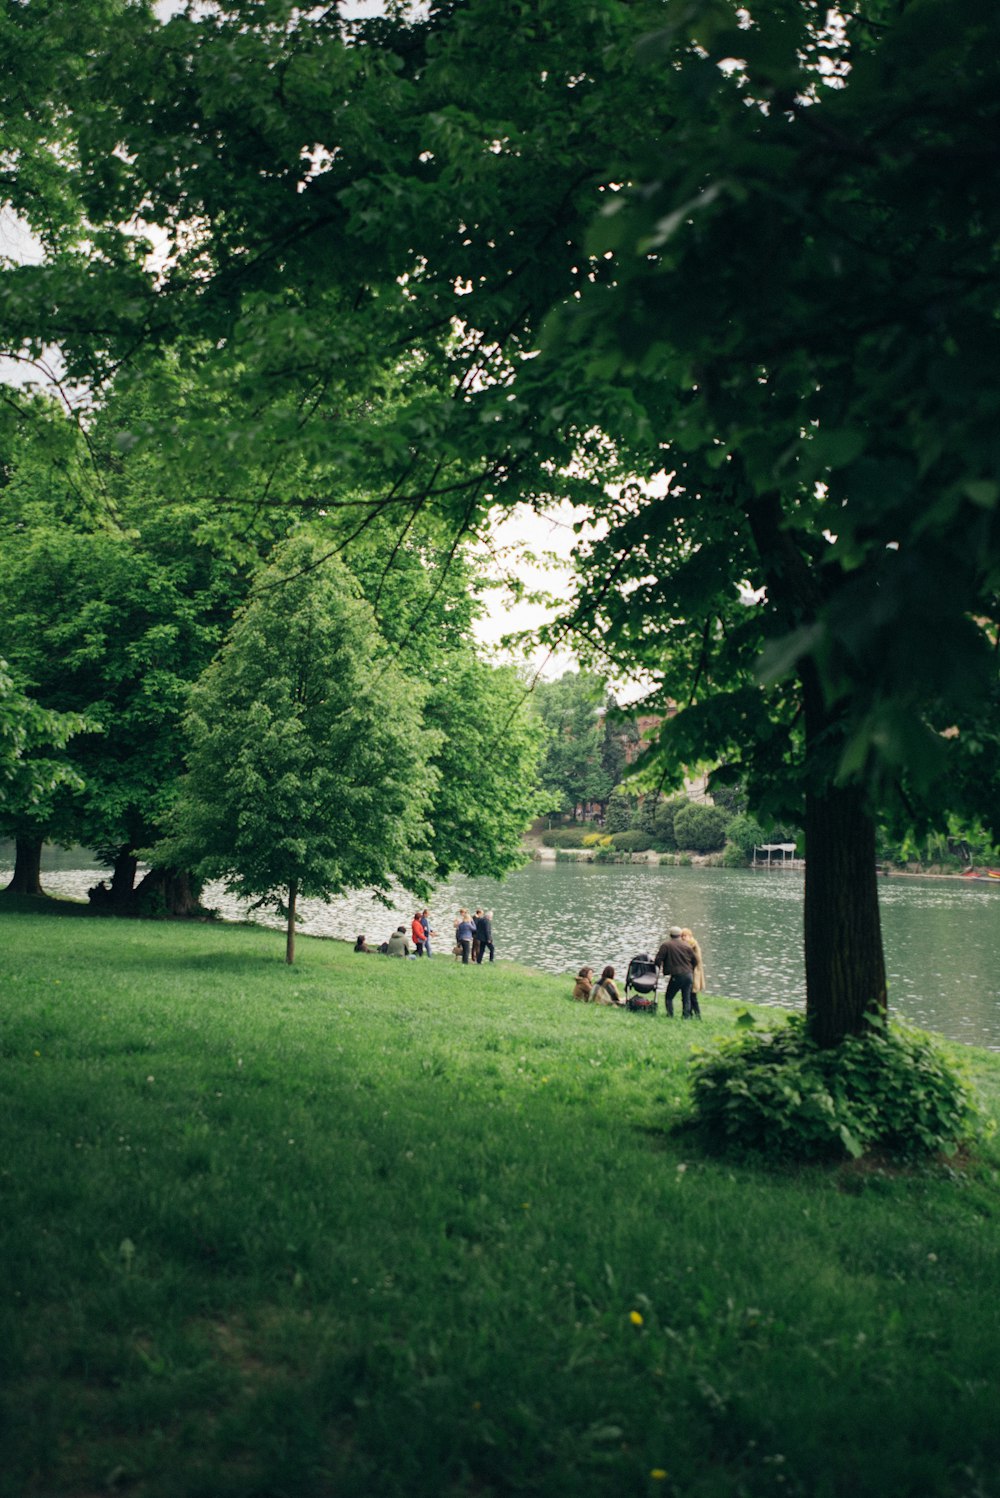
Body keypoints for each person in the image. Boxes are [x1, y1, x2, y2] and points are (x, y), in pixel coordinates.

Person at [653, 925, 698, 1018]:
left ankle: (670, 1015)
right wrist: (691, 970)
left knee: (669, 997)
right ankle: (686, 1017)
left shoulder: (666, 945)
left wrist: (659, 968)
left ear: (670, 934)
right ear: (680, 935)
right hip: (688, 975)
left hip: (677, 975)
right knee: (686, 998)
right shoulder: (686, 945)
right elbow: (695, 960)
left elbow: (658, 959)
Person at [679, 927, 705, 1018]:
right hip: (690, 972)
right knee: (688, 995)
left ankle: (697, 1015)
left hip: (694, 973)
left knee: (692, 996)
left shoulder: (692, 945)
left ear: (690, 936)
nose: (683, 938)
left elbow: (696, 960)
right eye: (682, 936)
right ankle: (690, 1013)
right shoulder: (689, 945)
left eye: (685, 936)